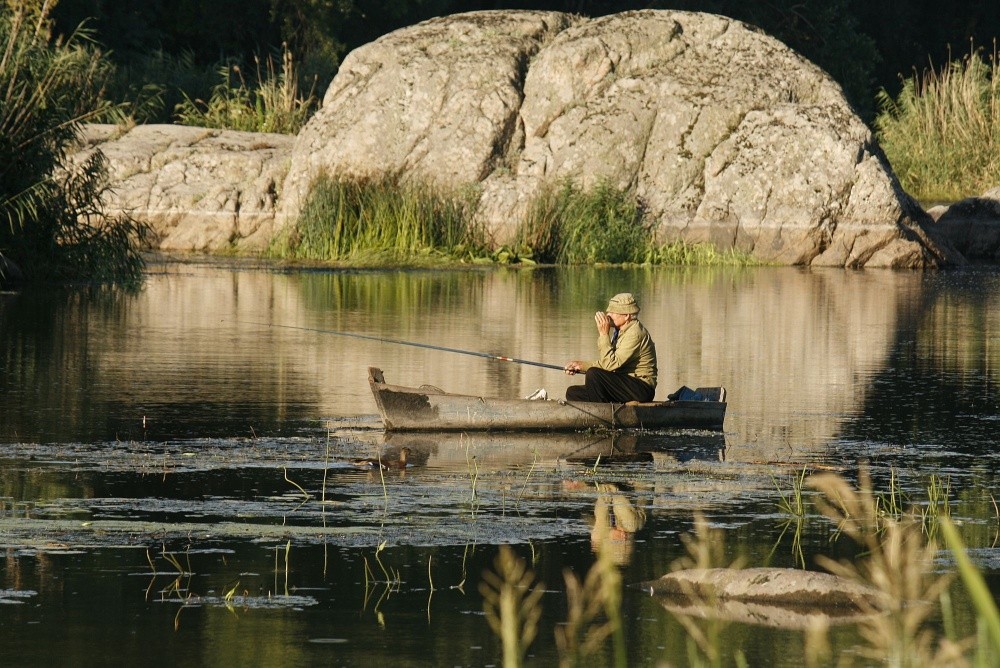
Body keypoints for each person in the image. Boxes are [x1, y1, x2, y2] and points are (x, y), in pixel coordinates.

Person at [564, 292, 657, 403]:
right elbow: (607, 362)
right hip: (623, 384)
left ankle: (601, 413)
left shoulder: (635, 333)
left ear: (626, 316)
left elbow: (610, 365)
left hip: (641, 388)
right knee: (573, 393)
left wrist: (604, 334)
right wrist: (580, 365)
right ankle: (604, 410)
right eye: (608, 311)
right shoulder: (620, 331)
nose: (608, 315)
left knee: (594, 375)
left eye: (613, 312)